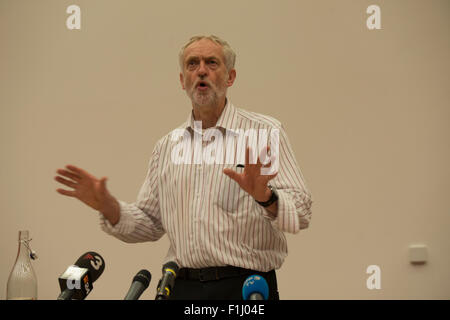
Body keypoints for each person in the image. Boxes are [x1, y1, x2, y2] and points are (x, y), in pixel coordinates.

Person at [55, 35, 313, 300]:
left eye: (212, 63)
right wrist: (109, 207)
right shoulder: (167, 147)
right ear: (182, 80)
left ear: (230, 77)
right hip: (181, 288)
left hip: (247, 288)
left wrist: (266, 197)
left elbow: (301, 212)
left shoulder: (264, 133)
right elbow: (150, 223)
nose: (201, 70)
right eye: (192, 64)